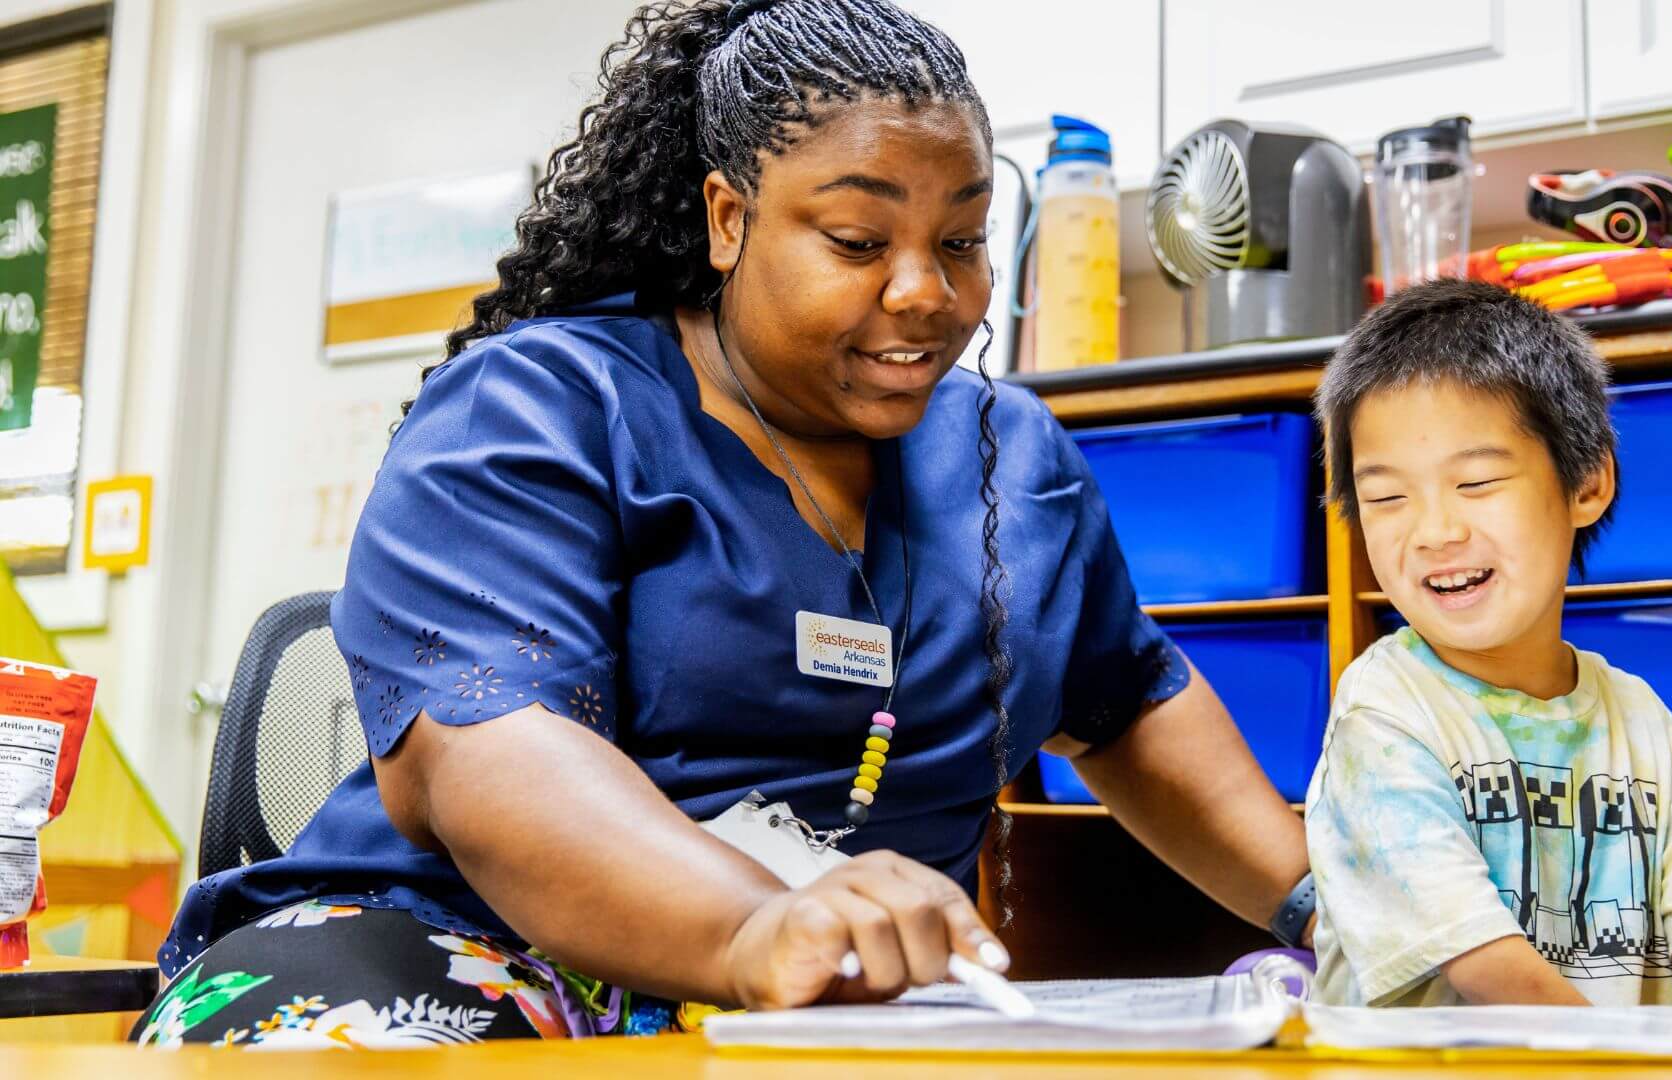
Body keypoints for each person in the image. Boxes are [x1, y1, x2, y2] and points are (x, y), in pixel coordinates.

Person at [135, 0, 1313, 1047]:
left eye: (959, 241)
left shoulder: (1013, 462)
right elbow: (482, 760)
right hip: (456, 956)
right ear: (728, 219)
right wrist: (759, 926)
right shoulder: (539, 408)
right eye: (858, 241)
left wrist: (1337, 914)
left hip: (808, 1017)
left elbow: (1131, 702)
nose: (927, 293)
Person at [1303, 279, 1672, 1009]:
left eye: (1476, 481)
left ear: (1587, 484)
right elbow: (1485, 966)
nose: (1434, 532)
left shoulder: (1641, 718)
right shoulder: (1384, 713)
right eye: (1388, 498)